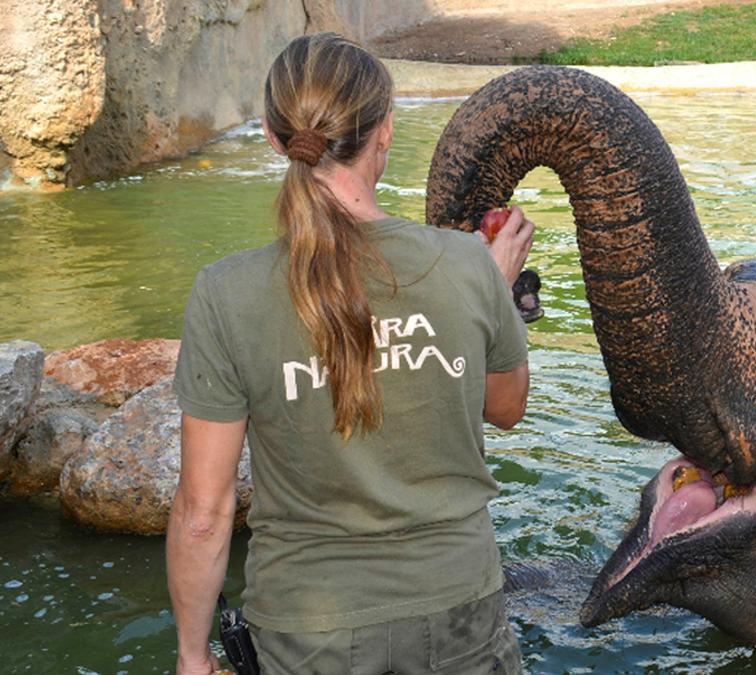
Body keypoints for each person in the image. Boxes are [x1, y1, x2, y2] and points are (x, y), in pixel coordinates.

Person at [166, 33, 533, 674]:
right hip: (460, 611)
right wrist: (492, 289)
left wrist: (193, 658)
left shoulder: (226, 293)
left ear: (274, 138)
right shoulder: (470, 265)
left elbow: (204, 511)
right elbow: (504, 408)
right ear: (385, 130)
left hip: (308, 630)